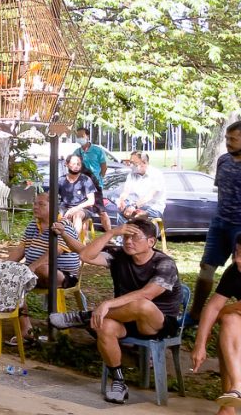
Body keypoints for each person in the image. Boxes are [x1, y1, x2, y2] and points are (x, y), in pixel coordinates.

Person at [50, 219, 182, 404]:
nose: (128, 242)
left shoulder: (165, 263)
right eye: (126, 237)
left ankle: (83, 316)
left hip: (157, 324)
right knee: (104, 327)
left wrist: (107, 304)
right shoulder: (119, 255)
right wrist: (111, 233)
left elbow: (147, 294)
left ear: (151, 242)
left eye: (135, 238)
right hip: (125, 319)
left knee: (142, 304)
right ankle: (119, 382)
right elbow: (86, 256)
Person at [5, 193, 81, 343]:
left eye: (41, 204)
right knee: (10, 278)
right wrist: (3, 266)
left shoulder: (62, 225)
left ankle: (57, 333)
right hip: (35, 273)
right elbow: (21, 250)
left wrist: (31, 267)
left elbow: (53, 253)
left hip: (63, 275)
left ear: (53, 207)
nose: (35, 207)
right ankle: (26, 331)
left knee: (43, 269)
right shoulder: (33, 225)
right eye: (35, 203)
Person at [188, 121, 241, 327]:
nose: (228, 143)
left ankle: (234, 318)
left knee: (239, 270)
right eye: (226, 138)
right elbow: (221, 192)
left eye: (233, 139)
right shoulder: (223, 160)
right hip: (220, 223)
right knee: (206, 267)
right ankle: (195, 315)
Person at [192, 233, 241, 413]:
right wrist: (200, 344)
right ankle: (233, 397)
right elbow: (213, 308)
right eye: (236, 253)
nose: (238, 260)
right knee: (230, 323)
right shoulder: (234, 271)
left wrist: (225, 311)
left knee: (228, 317)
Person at [116, 151, 166, 222]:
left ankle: (141, 232)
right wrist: (121, 200)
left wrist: (134, 206)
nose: (131, 165)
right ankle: (123, 233)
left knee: (135, 215)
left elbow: (149, 196)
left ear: (144, 163)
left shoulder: (156, 174)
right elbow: (126, 191)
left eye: (134, 163)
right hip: (137, 206)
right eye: (130, 162)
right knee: (122, 213)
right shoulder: (132, 174)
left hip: (154, 208)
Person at [58, 154, 97, 239]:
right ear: (67, 164)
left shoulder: (86, 180)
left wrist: (75, 208)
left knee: (77, 215)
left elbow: (91, 201)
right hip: (64, 207)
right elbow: (50, 197)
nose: (76, 166)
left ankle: (73, 240)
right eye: (73, 163)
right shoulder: (61, 180)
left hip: (83, 209)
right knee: (56, 215)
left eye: (78, 164)